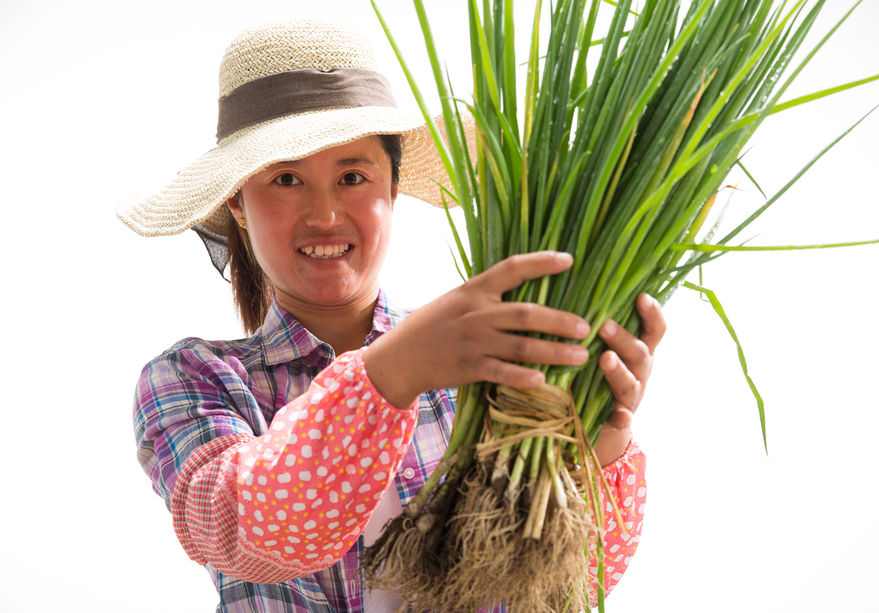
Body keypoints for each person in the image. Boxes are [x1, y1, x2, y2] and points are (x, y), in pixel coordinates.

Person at [117, 18, 666, 613]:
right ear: (238, 205)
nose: (324, 214)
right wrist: (390, 374)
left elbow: (566, 582)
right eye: (286, 179)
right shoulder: (191, 379)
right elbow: (243, 526)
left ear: (394, 186)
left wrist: (604, 436)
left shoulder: (480, 358)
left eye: (352, 176)